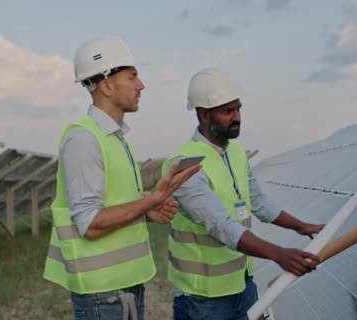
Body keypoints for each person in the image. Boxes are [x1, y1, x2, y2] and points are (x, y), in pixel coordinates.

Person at [43, 35, 200, 320]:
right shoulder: (83, 139)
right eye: (132, 77)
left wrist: (148, 210)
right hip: (102, 294)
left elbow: (115, 204)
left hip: (124, 287)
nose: (141, 85)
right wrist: (150, 200)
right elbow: (89, 223)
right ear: (106, 84)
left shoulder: (117, 139)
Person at [162, 68, 325, 320]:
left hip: (242, 284)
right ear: (204, 115)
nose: (236, 116)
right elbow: (220, 225)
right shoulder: (184, 164)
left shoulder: (236, 153)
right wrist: (278, 254)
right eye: (227, 111)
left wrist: (302, 227)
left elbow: (259, 203)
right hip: (202, 298)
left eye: (238, 109)